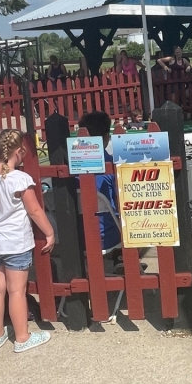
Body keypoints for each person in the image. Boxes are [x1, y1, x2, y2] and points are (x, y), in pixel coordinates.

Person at [0, 129, 54, 353]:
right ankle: (22, 337)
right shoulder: (20, 179)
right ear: (18, 151)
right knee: (17, 291)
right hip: (16, 242)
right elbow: (36, 211)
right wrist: (49, 232)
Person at [78, 112, 123, 270]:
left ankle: (119, 258)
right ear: (106, 137)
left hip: (75, 236)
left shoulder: (72, 168)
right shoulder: (111, 166)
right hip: (107, 236)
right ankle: (122, 258)